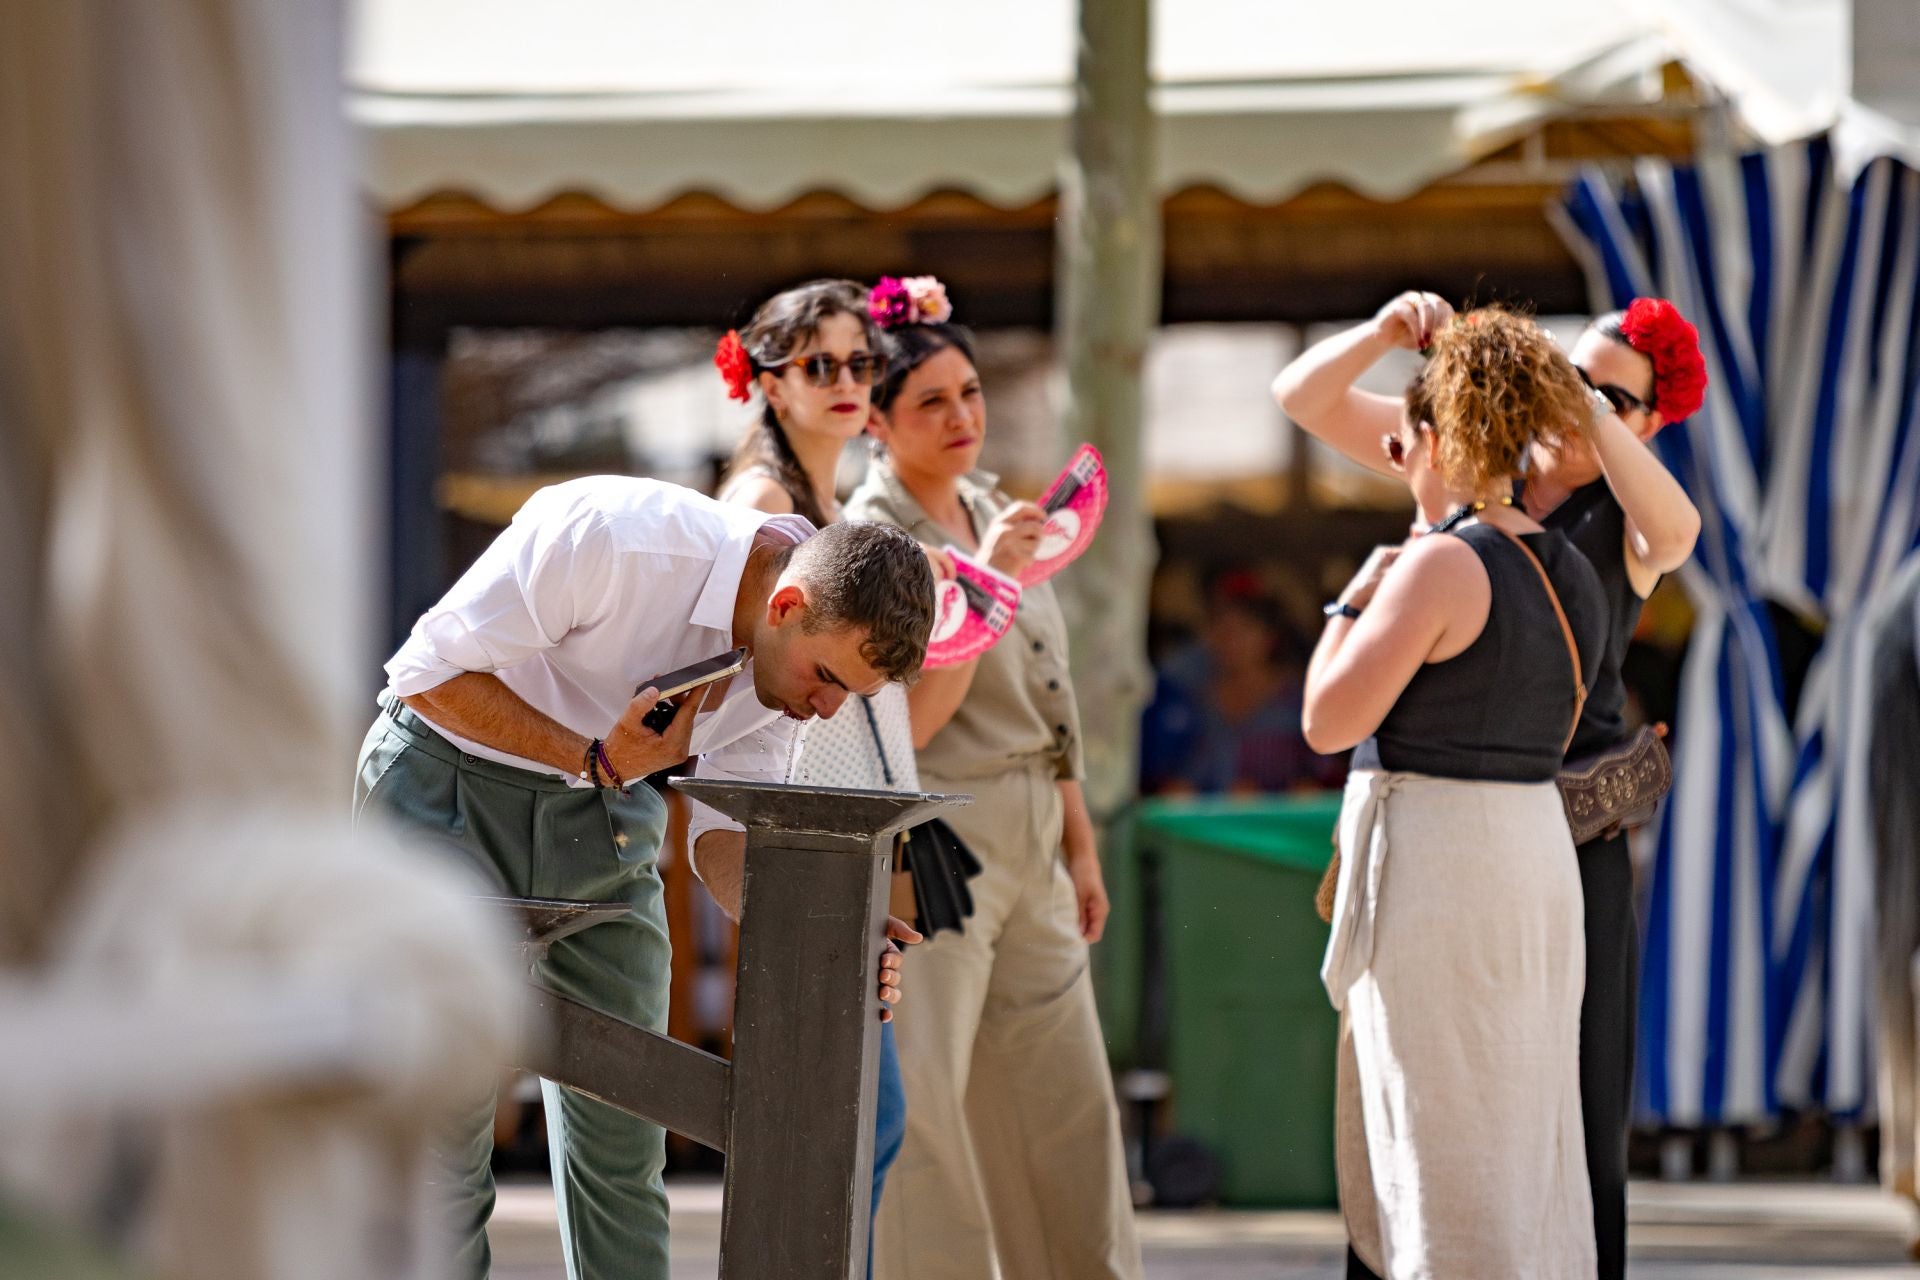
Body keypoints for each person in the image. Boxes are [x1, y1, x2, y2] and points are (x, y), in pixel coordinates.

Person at [354, 476, 933, 1280]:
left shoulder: (787, 674)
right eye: (828, 679)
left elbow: (727, 840)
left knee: (626, 1123)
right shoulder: (616, 538)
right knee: (443, 1133)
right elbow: (423, 674)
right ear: (786, 605)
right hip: (445, 781)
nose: (827, 710)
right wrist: (589, 759)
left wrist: (835, 937)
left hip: (607, 813)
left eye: (849, 694)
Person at [1277, 291, 1703, 1280]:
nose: (1580, 398)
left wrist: (1582, 405)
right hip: (1496, 833)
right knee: (1433, 1114)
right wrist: (1389, 334)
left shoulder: (1614, 523)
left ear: (1642, 420)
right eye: (1568, 368)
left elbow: (1676, 531)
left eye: (1611, 394)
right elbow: (1300, 396)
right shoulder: (1469, 473)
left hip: (1557, 834)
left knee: (1565, 1111)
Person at [849, 292, 1144, 1280]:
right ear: (877, 420)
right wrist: (985, 577)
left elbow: (1050, 690)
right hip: (933, 829)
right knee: (929, 1103)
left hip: (1033, 823)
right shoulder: (870, 542)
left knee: (1068, 1103)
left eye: (969, 391)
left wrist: (1079, 839)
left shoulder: (992, 508)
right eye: (929, 400)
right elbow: (910, 724)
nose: (961, 415)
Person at [713, 276, 942, 1274]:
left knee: (866, 1114)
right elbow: (742, 707)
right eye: (821, 363)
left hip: (850, 820)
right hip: (789, 820)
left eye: (864, 361)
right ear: (766, 378)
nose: (849, 380)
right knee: (849, 1111)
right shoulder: (763, 505)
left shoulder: (836, 505)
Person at [1141, 570, 1335, 795]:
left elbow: (1322, 773)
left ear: (1269, 637)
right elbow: (1182, 773)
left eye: (1243, 631)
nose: (1231, 641)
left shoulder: (1300, 699)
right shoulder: (1192, 702)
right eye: (1222, 631)